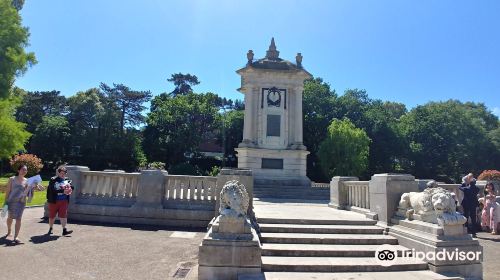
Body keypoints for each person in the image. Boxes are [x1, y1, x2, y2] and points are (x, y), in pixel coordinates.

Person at [3, 165, 43, 244]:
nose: (24, 171)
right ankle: (9, 231)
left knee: (18, 218)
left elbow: (31, 190)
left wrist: (36, 186)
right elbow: (8, 191)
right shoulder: (12, 179)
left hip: (21, 202)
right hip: (11, 201)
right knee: (10, 217)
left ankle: (16, 236)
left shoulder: (27, 180)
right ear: (18, 170)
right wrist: (5, 202)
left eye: (26, 170)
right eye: (23, 169)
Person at [46, 165, 74, 235]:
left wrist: (71, 188)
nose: (63, 174)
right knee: (52, 216)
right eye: (61, 173)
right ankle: (51, 228)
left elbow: (71, 187)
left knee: (63, 216)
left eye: (64, 173)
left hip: (64, 201)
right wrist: (62, 191)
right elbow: (52, 190)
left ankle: (64, 230)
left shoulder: (67, 180)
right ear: (58, 173)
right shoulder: (53, 179)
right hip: (54, 201)